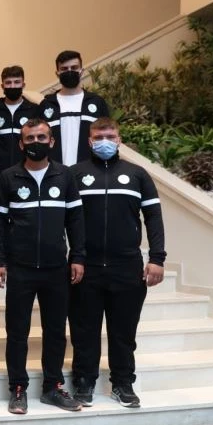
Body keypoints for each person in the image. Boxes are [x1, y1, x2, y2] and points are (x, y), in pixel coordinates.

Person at [70, 117, 166, 408]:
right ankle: (84, 382)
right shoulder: (75, 174)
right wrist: (73, 256)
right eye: (99, 137)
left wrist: (157, 258)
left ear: (119, 140)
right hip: (85, 267)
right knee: (84, 331)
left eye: (110, 137)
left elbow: (153, 217)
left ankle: (123, 384)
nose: (105, 142)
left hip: (127, 267)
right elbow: (63, 219)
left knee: (123, 331)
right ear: (89, 141)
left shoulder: (137, 174)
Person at [0, 119, 85, 415]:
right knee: (17, 332)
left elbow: (75, 220)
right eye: (30, 138)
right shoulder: (8, 177)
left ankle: (52, 387)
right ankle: (18, 388)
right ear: (21, 144)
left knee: (56, 330)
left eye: (42, 137)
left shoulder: (65, 176)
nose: (36, 142)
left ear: (52, 141)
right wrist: (0, 261)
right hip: (20, 268)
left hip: (56, 268)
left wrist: (78, 257)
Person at [36, 51, 110, 166]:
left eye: (74, 68)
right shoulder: (46, 105)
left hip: (89, 170)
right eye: (64, 69)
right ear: (57, 73)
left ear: (81, 71)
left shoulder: (97, 102)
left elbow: (107, 136)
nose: (69, 71)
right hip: (55, 170)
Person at [0, 65, 39, 178]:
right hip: (0, 174)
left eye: (17, 82)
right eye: (8, 83)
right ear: (2, 86)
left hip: (28, 172)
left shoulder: (34, 110)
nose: (12, 86)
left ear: (23, 85)